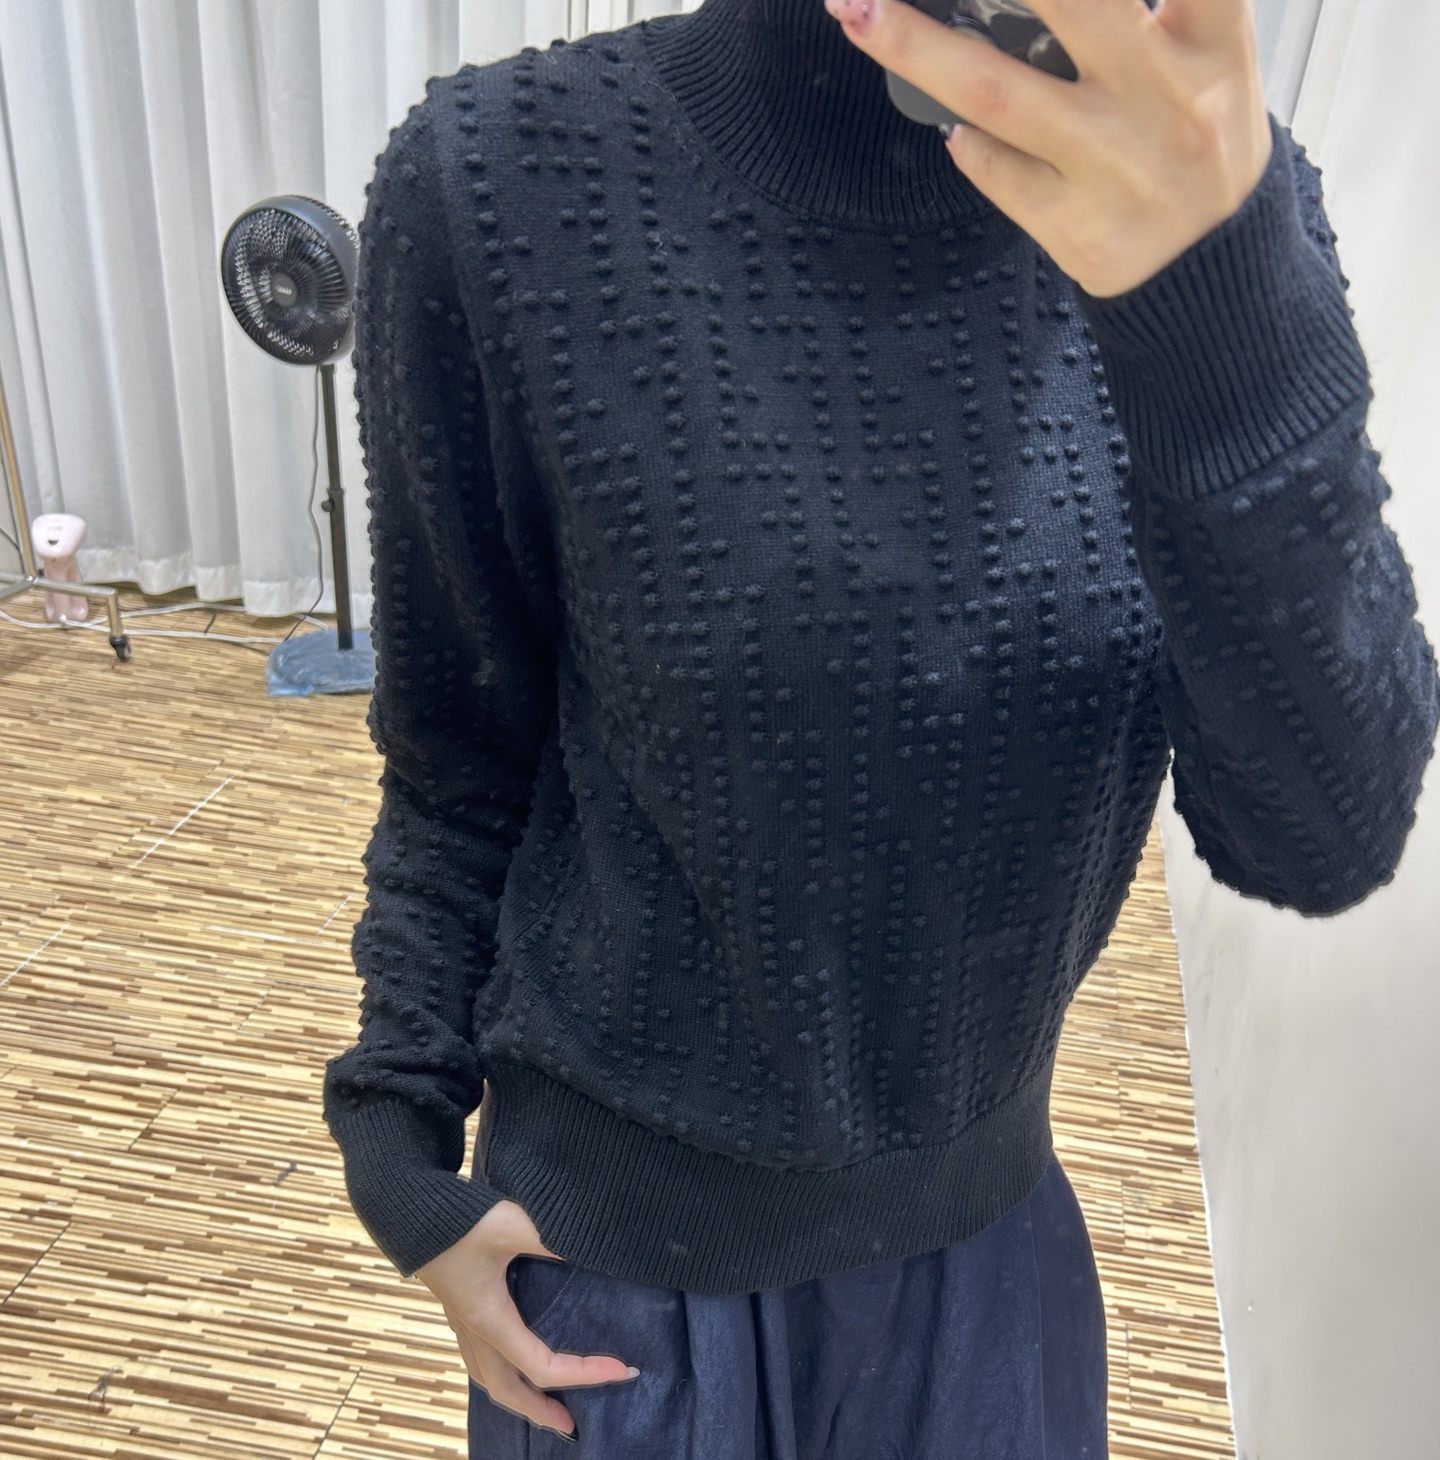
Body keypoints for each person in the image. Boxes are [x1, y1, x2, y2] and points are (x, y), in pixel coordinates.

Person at [321, 0, 1440, 1455]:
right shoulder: (502, 180)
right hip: (617, 1278)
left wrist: (1219, 310)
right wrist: (399, 1144)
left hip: (988, 1257)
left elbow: (1322, 833)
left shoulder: (1207, 207)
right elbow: (462, 753)